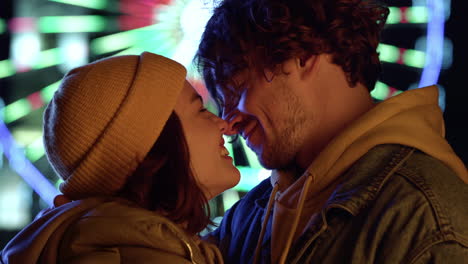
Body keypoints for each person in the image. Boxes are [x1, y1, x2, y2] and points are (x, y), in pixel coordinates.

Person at [195, 0, 468, 263]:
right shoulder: (250, 215)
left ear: (302, 56)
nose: (228, 124)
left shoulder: (424, 217)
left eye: (237, 89)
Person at [0, 52, 240, 263]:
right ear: (153, 144)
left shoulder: (137, 244)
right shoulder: (138, 252)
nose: (225, 125)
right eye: (200, 110)